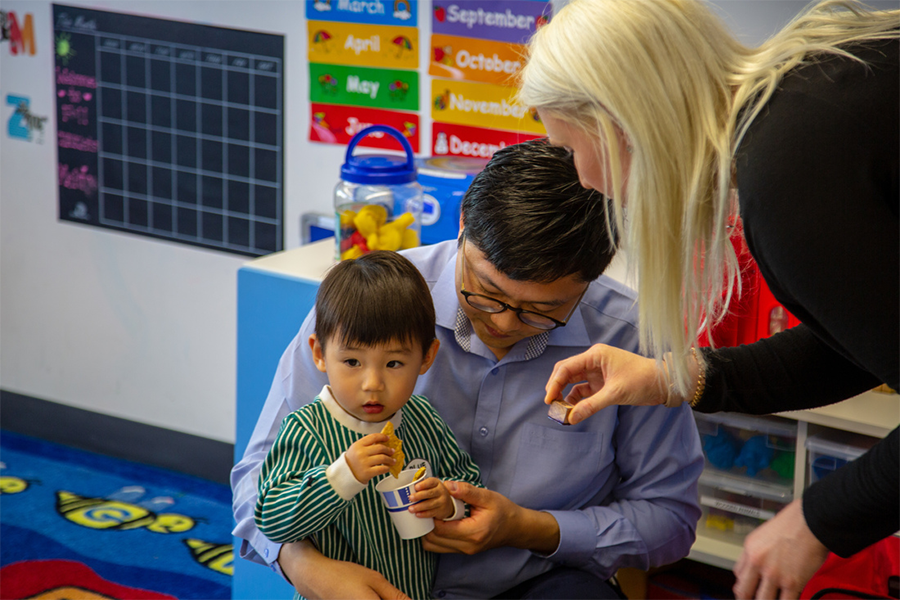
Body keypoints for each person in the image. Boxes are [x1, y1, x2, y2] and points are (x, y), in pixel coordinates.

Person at [517, 0, 900, 598]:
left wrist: (813, 521)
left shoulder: (789, 175)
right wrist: (673, 377)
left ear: (620, 119)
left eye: (570, 150)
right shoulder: (809, 95)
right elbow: (858, 341)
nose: (585, 180)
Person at [231, 139, 704, 600]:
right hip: (369, 576)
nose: (501, 323)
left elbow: (671, 519)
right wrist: (303, 565)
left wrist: (527, 527)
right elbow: (256, 479)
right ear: (462, 228)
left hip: (532, 580)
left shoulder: (632, 340)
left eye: (541, 310)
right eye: (484, 290)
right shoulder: (367, 308)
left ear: (593, 277)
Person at [254, 250, 483, 600]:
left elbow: (466, 482)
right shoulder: (306, 429)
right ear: (318, 353)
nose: (372, 383)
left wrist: (448, 503)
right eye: (351, 361)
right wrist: (344, 475)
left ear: (426, 357)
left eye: (393, 363)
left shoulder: (423, 419)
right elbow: (272, 518)